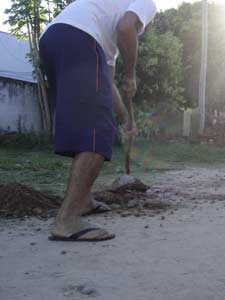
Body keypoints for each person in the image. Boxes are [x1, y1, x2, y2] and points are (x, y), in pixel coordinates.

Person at [39, 0, 157, 242]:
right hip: (79, 39)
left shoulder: (101, 22)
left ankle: (84, 200)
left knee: (86, 125)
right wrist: (132, 75)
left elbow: (106, 83)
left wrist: (125, 117)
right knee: (97, 131)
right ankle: (67, 221)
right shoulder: (147, 2)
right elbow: (126, 28)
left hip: (53, 39)